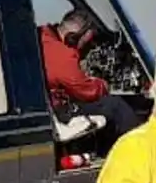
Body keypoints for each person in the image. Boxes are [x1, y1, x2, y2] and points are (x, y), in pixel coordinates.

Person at [39, 8, 139, 139]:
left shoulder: (42, 35)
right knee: (114, 105)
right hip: (56, 111)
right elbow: (87, 92)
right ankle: (136, 149)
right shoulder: (62, 54)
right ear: (73, 38)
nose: (84, 48)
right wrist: (102, 85)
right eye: (85, 42)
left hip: (44, 105)